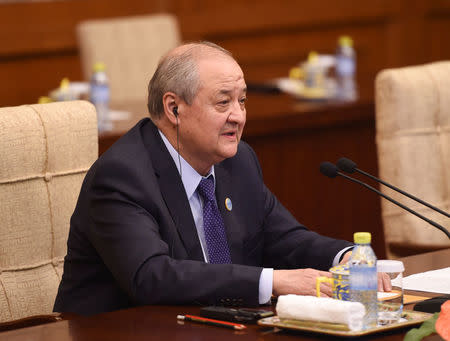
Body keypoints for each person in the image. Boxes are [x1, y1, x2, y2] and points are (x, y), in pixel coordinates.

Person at [54, 41, 355, 316]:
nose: (238, 116)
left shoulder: (238, 161)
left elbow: (284, 237)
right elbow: (151, 276)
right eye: (223, 103)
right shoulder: (123, 175)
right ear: (174, 109)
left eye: (243, 101)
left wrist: (346, 256)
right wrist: (272, 281)